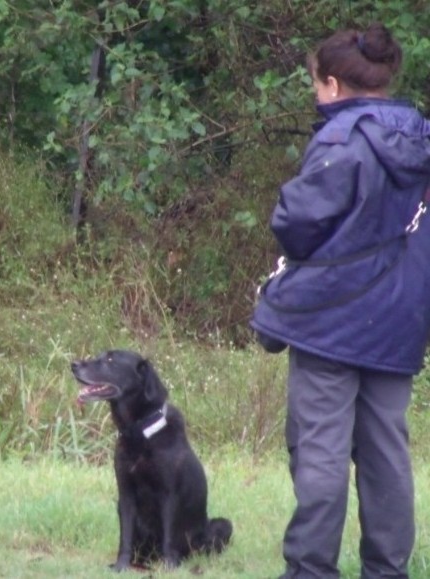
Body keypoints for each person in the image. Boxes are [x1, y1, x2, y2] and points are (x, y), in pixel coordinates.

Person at [251, 23, 430, 579]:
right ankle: (387, 570)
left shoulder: (339, 142)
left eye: (314, 83)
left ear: (332, 83)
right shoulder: (421, 138)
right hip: (401, 316)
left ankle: (311, 570)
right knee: (386, 453)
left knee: (321, 450)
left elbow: (296, 225)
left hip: (331, 317)